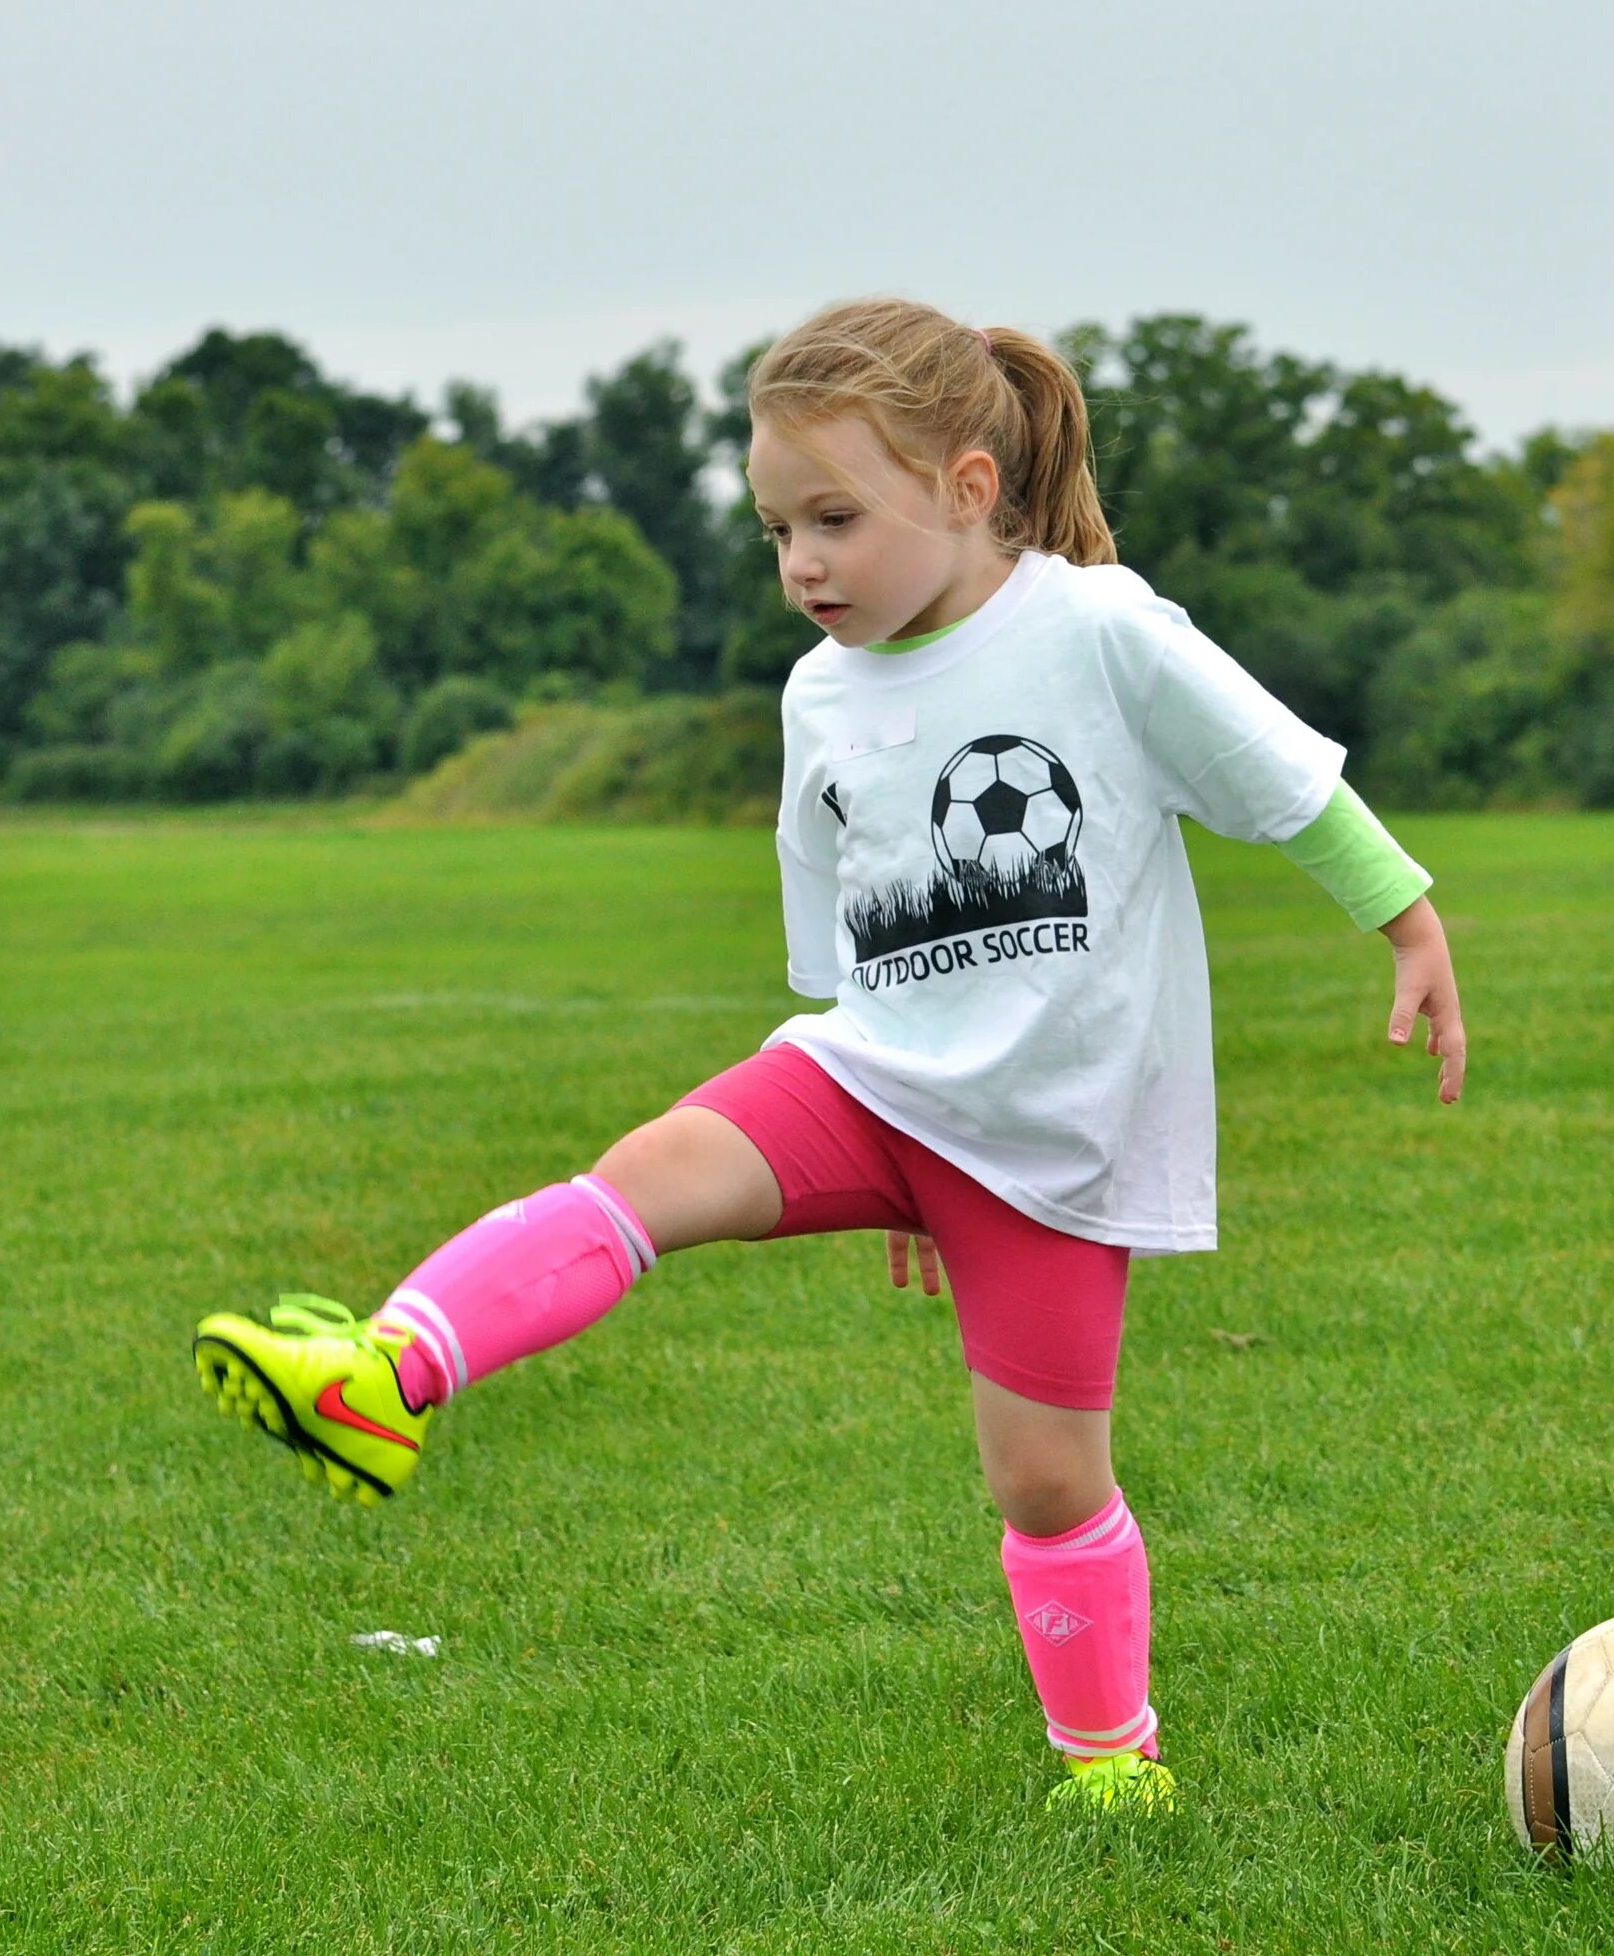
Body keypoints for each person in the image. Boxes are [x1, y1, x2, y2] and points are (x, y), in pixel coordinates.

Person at [192, 298, 1468, 1817]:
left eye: (836, 520)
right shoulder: (818, 693)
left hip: (1051, 1141)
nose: (802, 563)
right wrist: (900, 1147)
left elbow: (1277, 775)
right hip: (870, 1080)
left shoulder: (1095, 631)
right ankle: (382, 1370)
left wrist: (1407, 922)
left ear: (969, 489)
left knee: (1045, 1480)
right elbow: (850, 931)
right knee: (645, 1173)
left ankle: (1112, 1766)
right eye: (778, 527)